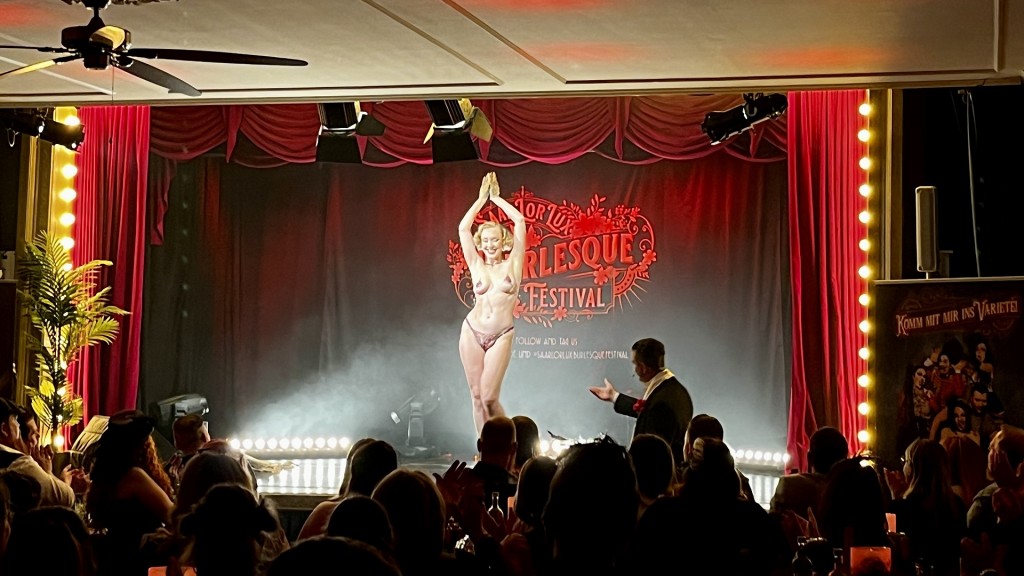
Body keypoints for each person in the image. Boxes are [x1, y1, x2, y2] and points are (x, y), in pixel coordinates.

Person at [458, 171, 526, 436]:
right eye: (485, 240)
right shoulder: (476, 265)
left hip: (501, 334)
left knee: (489, 398)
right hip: (472, 331)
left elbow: (519, 221)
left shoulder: (514, 263)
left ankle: (511, 445)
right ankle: (483, 449)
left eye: (495, 239)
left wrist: (496, 199)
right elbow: (463, 229)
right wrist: (480, 200)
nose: (490, 245)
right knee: (476, 397)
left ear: (503, 240)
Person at [588, 338, 693, 462]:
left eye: (634, 364)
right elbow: (649, 412)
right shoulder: (673, 390)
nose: (634, 370)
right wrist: (614, 396)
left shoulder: (662, 402)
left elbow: (651, 455)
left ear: (643, 367)